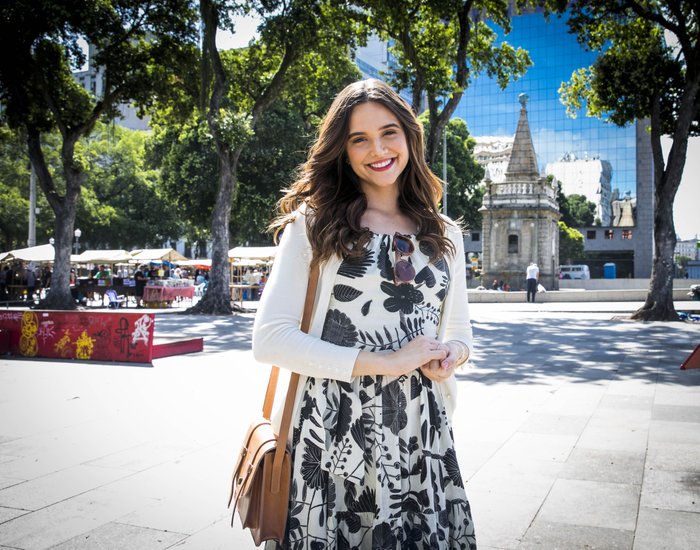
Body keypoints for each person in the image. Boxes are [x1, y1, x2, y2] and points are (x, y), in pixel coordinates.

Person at [253, 79, 476, 549]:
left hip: (422, 433)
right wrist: (387, 362)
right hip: (332, 431)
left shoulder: (446, 233)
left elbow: (460, 333)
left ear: (410, 137)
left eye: (389, 132)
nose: (378, 149)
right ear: (344, 150)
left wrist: (449, 354)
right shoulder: (313, 226)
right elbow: (269, 338)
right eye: (359, 138)